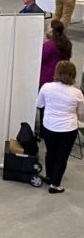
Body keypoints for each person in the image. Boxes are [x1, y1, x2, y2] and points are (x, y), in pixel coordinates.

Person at [36, 61, 84, 194]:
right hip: (68, 129)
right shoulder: (77, 93)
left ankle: (49, 176)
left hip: (49, 126)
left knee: (50, 152)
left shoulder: (46, 87)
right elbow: (81, 114)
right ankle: (55, 185)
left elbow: (39, 104)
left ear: (56, 72)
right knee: (62, 156)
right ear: (73, 75)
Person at [40, 20, 72, 86]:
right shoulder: (67, 42)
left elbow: (40, 59)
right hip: (61, 77)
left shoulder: (49, 45)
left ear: (51, 30)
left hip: (47, 78)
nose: (46, 27)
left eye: (48, 26)